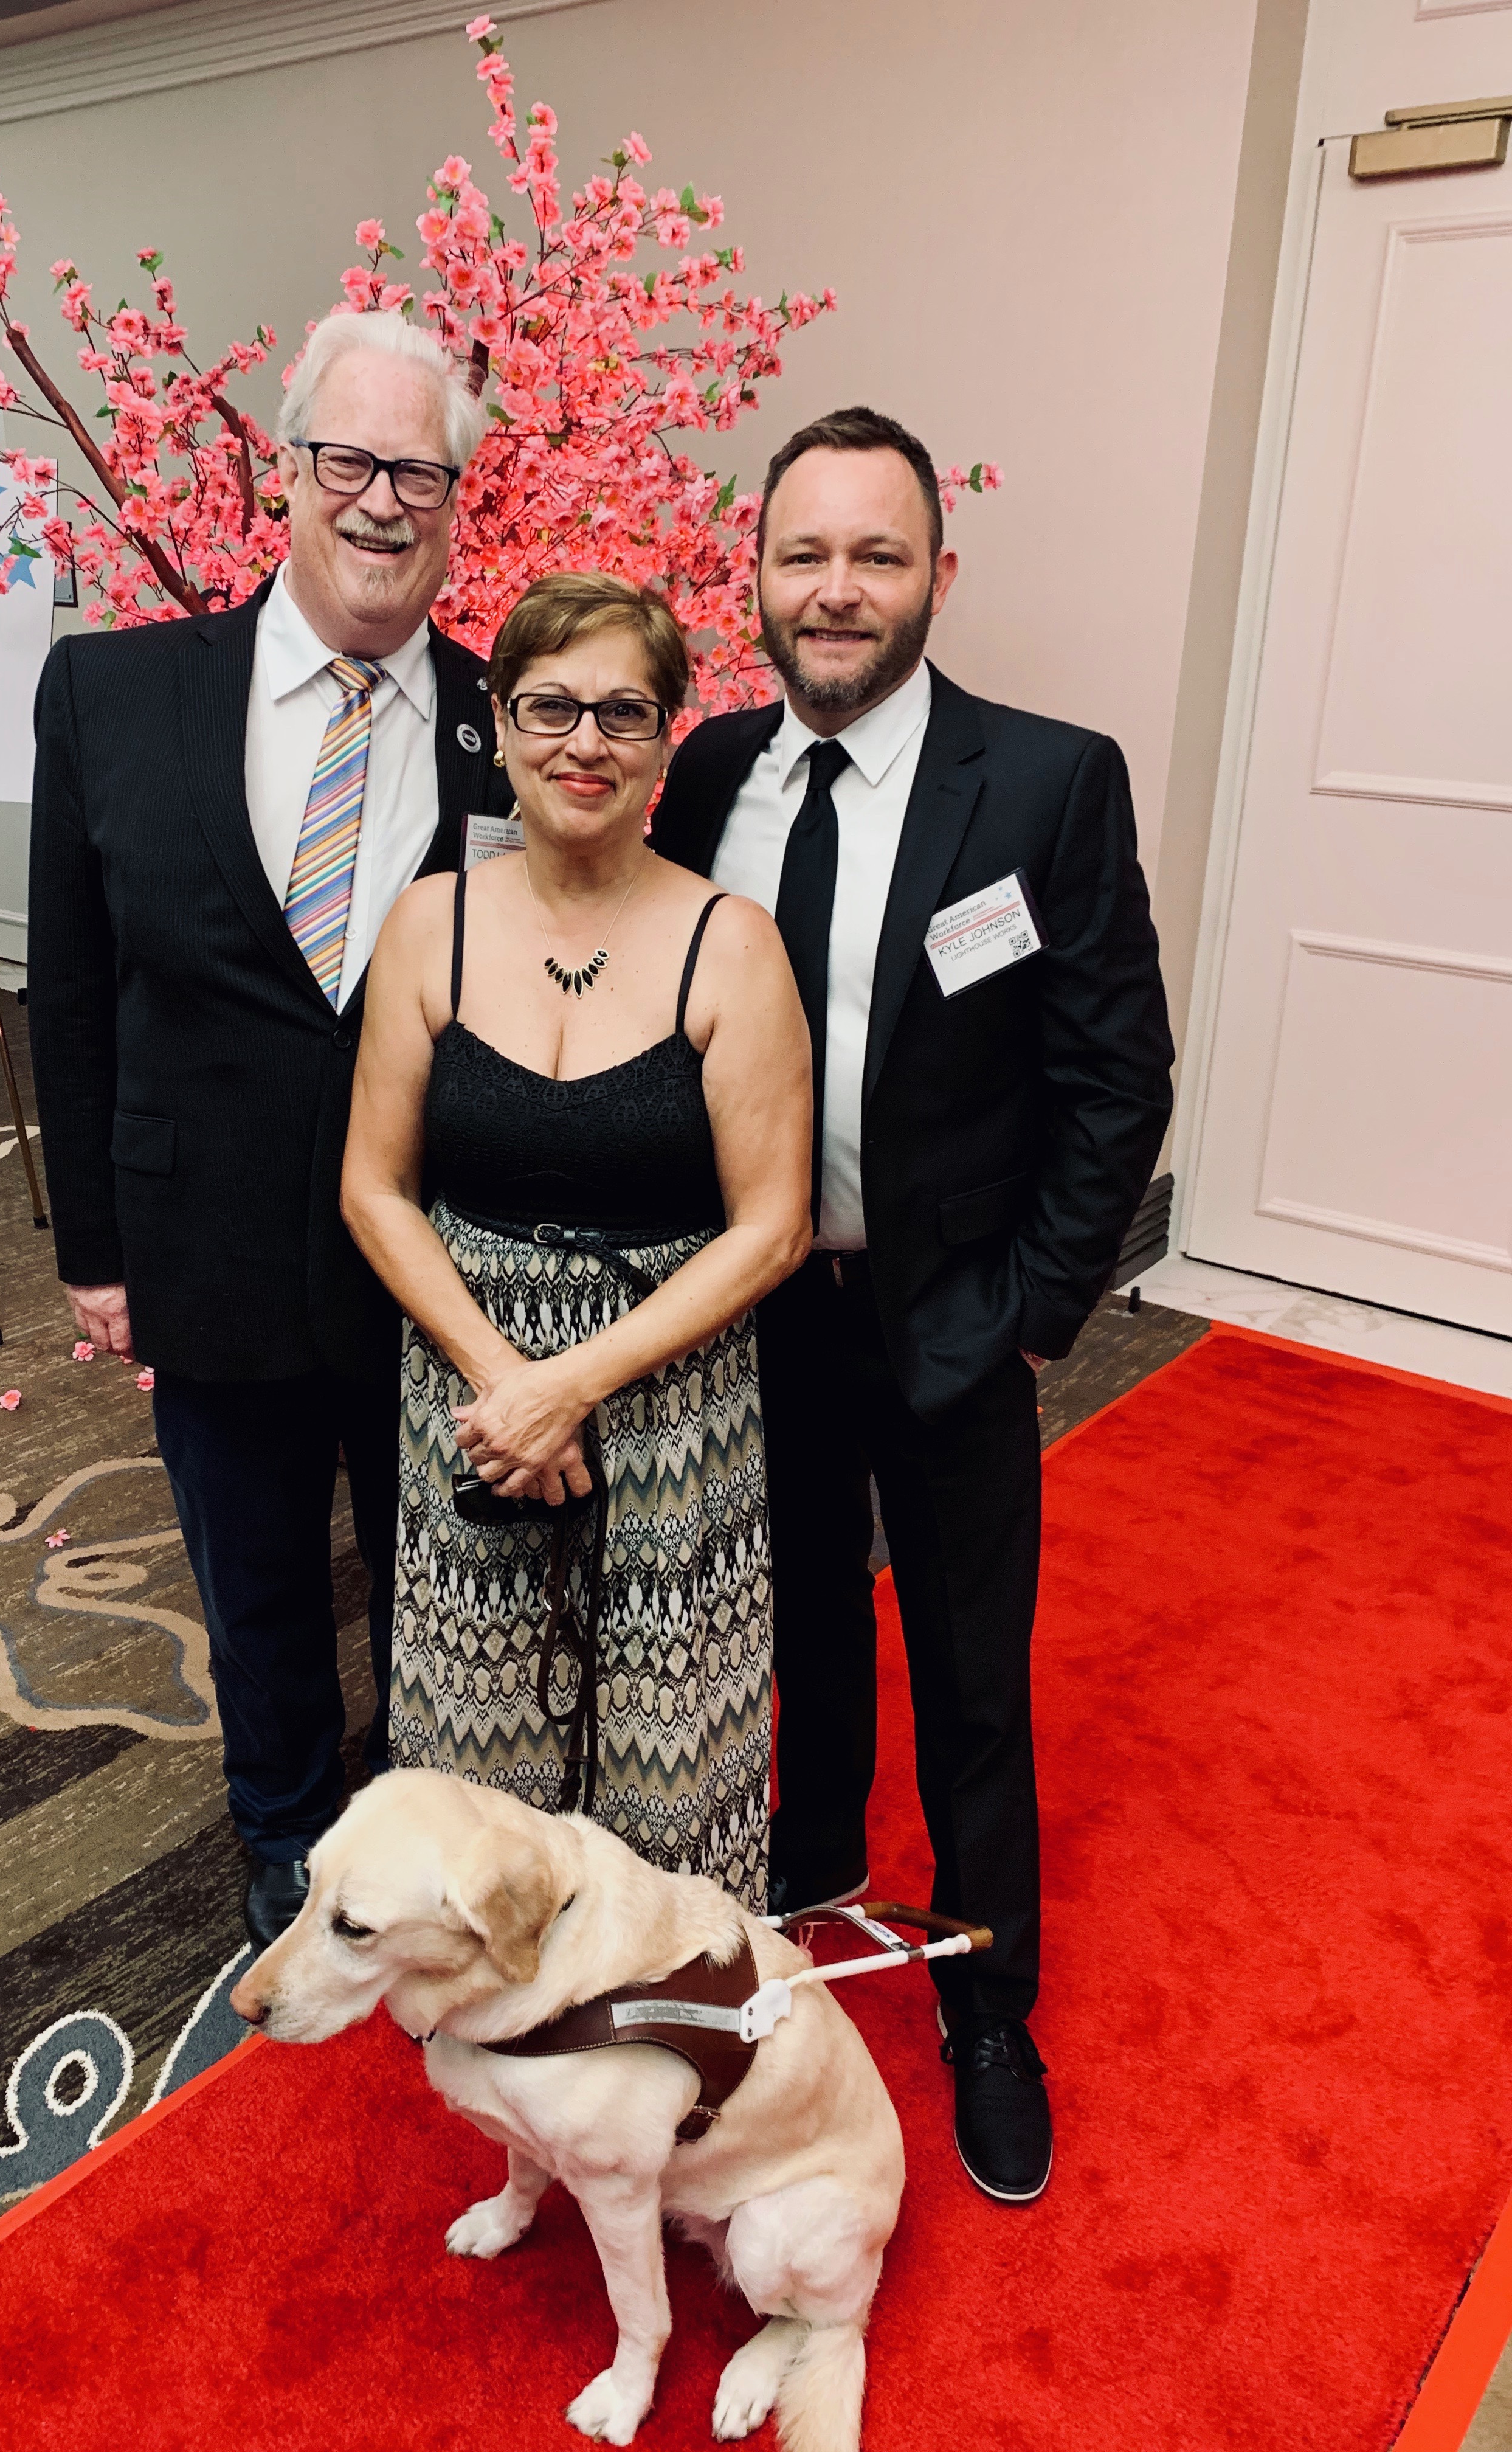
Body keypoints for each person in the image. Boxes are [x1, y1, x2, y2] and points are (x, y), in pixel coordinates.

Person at [651, 407, 1174, 2203]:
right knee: (790, 1632)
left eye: (878, 555)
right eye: (805, 555)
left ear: (940, 573)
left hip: (952, 1315)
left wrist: (1035, 1313)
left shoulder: (1043, 784)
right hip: (752, 1316)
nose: (839, 590)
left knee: (969, 1676)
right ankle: (798, 1908)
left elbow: (1119, 1079)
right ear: (758, 578)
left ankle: (981, 1998)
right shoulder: (709, 769)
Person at [29, 313, 513, 1950]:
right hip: (205, 1231)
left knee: (435, 1565)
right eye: (350, 463)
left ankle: (429, 1819)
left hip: (436, 1250)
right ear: (280, 475)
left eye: (422, 474)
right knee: (254, 1572)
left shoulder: (507, 721)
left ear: (458, 504)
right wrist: (91, 1248)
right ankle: (291, 1825)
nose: (385, 504)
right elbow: (74, 991)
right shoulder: (110, 695)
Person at [341, 572, 812, 1908]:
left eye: (624, 711)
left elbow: (772, 1228)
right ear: (495, 721)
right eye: (549, 706)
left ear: (669, 738)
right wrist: (509, 1383)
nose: (584, 743)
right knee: (476, 1737)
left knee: (672, 1756)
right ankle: (495, 2037)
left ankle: (659, 2046)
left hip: (672, 1402)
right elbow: (375, 1188)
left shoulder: (733, 947)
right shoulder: (430, 922)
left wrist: (572, 1384)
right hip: (471, 1389)